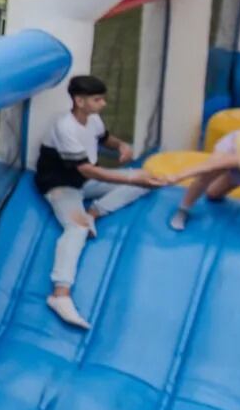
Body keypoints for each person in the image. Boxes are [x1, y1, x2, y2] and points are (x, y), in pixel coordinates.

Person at [35, 74, 165, 329]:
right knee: (76, 228)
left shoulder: (92, 118)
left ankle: (93, 213)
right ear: (79, 101)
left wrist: (122, 146)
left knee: (146, 181)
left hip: (85, 183)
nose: (103, 104)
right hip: (62, 186)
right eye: (98, 99)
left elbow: (105, 138)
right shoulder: (65, 127)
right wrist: (127, 177)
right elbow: (86, 170)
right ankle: (60, 294)